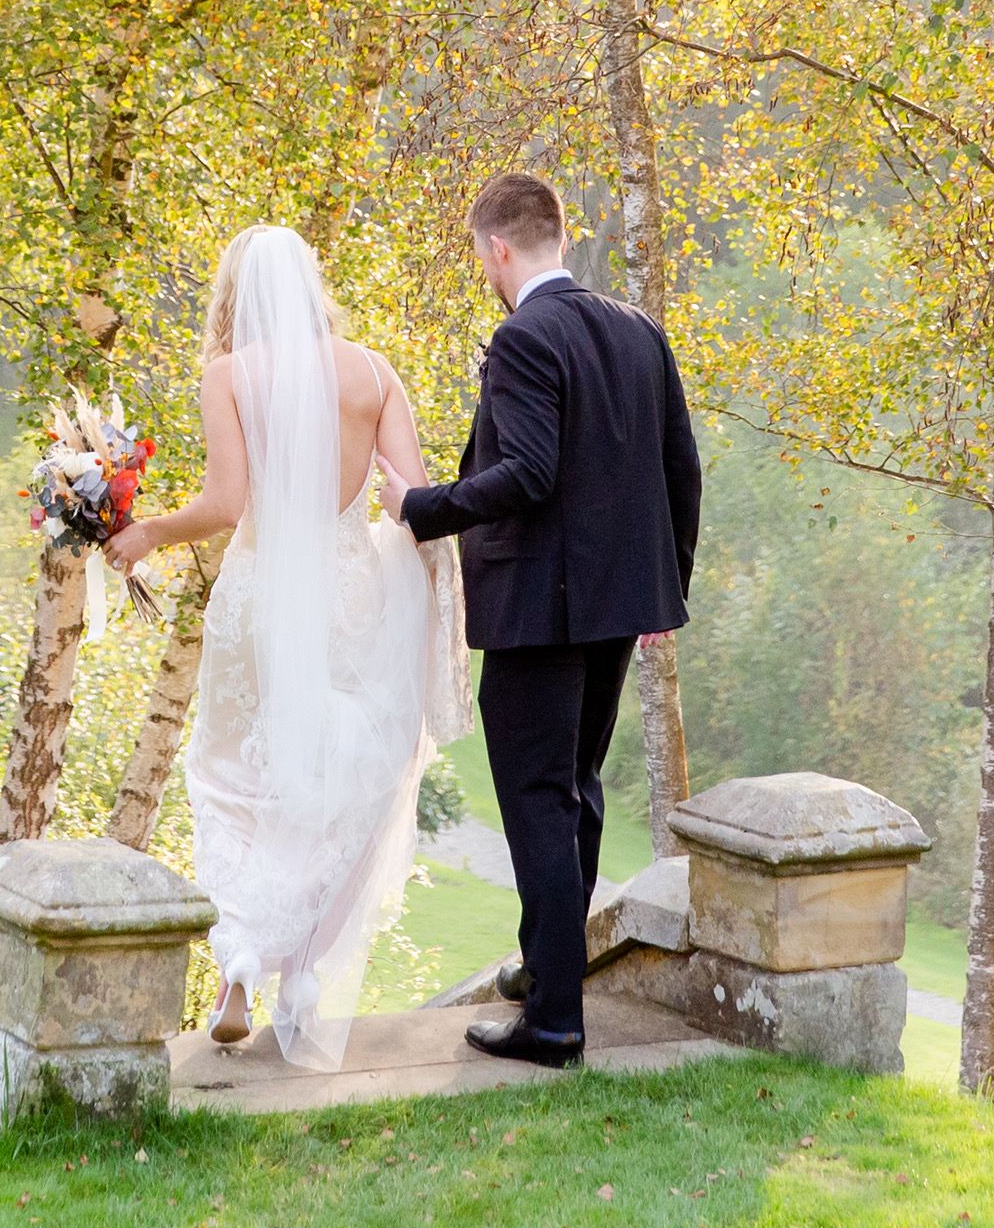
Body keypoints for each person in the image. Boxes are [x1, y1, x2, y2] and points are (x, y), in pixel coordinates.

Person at [107, 225, 467, 1067]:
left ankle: (237, 960)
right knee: (342, 782)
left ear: (235, 294)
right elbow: (410, 499)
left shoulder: (230, 375)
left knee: (234, 777)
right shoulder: (372, 372)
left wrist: (150, 531)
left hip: (261, 601)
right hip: (352, 600)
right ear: (312, 284)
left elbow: (229, 502)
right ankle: (301, 974)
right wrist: (434, 601)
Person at [396, 171, 703, 1066]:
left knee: (538, 799)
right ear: (557, 236)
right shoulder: (641, 330)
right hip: (618, 607)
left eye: (481, 259)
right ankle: (548, 964)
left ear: (499, 249)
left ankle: (556, 1022)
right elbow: (682, 472)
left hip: (538, 609)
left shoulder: (525, 337)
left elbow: (526, 474)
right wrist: (664, 591)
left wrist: (422, 506)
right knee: (575, 788)